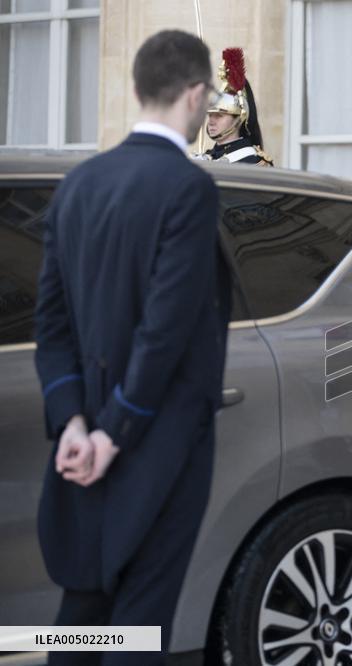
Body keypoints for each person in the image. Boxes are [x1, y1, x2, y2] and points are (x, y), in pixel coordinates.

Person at [33, 30, 230, 665]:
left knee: (84, 621)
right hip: (156, 444)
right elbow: (164, 331)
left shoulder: (79, 184)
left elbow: (51, 325)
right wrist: (113, 434)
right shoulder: (190, 187)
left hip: (82, 442)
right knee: (138, 629)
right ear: (196, 94)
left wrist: (72, 423)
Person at [200, 47, 273, 166]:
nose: (211, 121)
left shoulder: (254, 163)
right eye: (210, 115)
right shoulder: (205, 158)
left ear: (239, 118)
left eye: (219, 115)